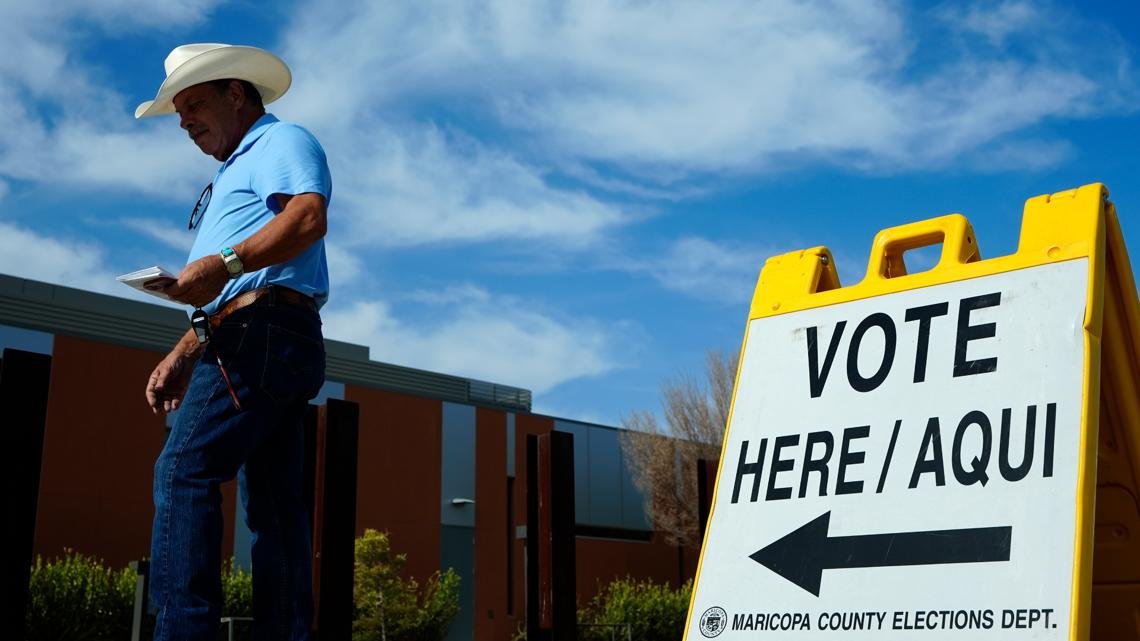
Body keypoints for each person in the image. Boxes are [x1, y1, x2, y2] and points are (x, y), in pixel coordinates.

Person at [137, 43, 331, 641]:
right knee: (273, 505)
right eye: (178, 113)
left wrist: (221, 262)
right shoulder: (232, 173)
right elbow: (232, 290)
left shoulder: (280, 142)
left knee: (183, 473)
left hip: (263, 333)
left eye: (194, 104)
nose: (186, 121)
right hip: (263, 331)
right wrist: (181, 353)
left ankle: (182, 632)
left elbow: (306, 218)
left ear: (237, 94)